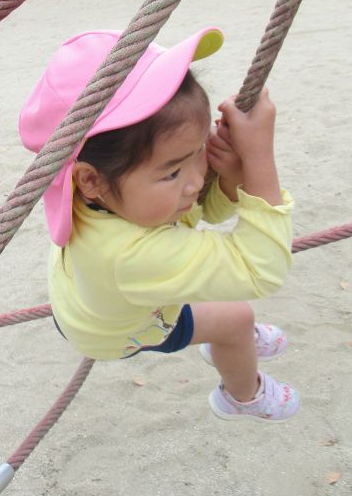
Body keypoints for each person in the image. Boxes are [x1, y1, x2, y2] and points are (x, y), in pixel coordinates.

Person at [19, 27, 298, 423]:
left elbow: (207, 210)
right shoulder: (130, 254)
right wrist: (258, 163)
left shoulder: (114, 189)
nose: (196, 182)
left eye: (200, 151)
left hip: (85, 299)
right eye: (172, 173)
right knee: (238, 319)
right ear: (91, 180)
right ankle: (242, 395)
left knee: (217, 298)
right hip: (120, 330)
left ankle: (224, 341)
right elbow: (263, 269)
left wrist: (231, 176)